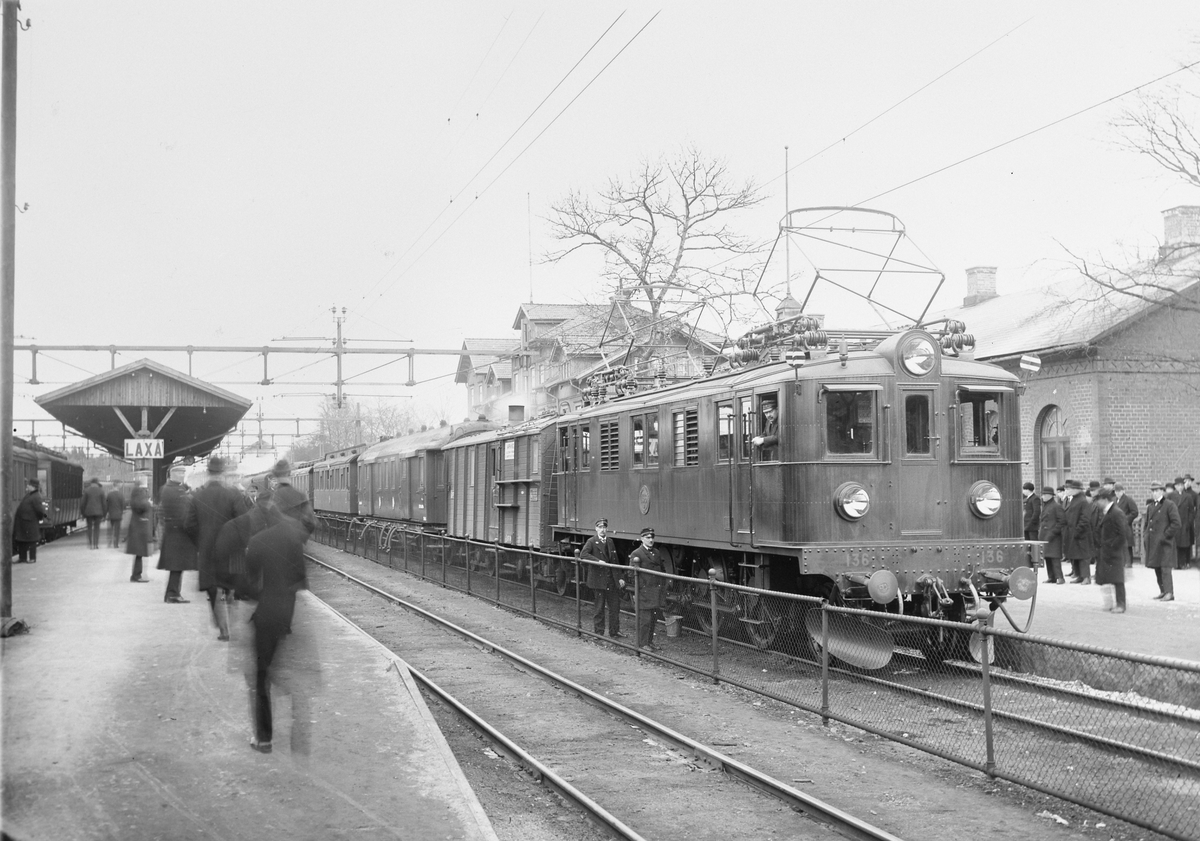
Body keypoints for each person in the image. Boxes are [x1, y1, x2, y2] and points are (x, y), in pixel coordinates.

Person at [243, 488, 312, 754]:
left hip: (266, 616)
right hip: (289, 614)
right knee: (289, 675)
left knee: (262, 676)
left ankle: (264, 739)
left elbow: (248, 587)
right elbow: (299, 579)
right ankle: (299, 740)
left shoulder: (258, 541)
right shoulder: (295, 538)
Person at [193, 456, 252, 640]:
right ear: (223, 473)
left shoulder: (198, 496)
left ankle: (224, 629)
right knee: (230, 586)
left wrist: (200, 541)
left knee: (214, 589)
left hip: (208, 551)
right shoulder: (233, 494)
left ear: (208, 473)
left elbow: (189, 524)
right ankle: (230, 617)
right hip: (231, 551)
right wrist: (241, 543)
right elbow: (244, 521)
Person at [157, 465, 198, 603]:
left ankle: (173, 593)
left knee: (177, 566)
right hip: (179, 533)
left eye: (183, 473)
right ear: (172, 474)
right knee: (177, 565)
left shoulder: (168, 488)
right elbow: (183, 513)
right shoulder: (175, 490)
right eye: (180, 473)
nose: (182, 475)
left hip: (173, 531)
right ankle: (172, 594)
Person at [580, 518, 625, 638]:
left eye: (604, 527)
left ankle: (614, 631)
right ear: (596, 529)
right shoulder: (591, 541)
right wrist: (598, 561)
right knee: (599, 608)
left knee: (614, 607)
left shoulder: (610, 541)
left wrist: (619, 577)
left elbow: (615, 560)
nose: (602, 530)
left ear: (607, 529)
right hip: (598, 581)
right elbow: (583, 554)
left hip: (611, 580)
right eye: (600, 527)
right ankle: (599, 633)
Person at [627, 526, 667, 651]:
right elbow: (631, 574)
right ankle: (642, 644)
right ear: (642, 538)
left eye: (652, 537)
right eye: (648, 537)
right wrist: (642, 587)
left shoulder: (656, 552)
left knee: (653, 619)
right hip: (644, 592)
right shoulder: (636, 553)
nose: (650, 540)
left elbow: (662, 569)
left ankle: (649, 642)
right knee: (645, 620)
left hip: (655, 591)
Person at [1143, 481, 1180, 602]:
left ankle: (1169, 592)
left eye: (1157, 491)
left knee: (1165, 568)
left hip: (1165, 543)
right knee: (1157, 567)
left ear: (1162, 491)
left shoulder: (1169, 505)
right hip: (1154, 542)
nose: (1154, 493)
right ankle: (1163, 591)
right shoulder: (1151, 506)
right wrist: (1145, 535)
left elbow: (1176, 523)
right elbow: (1147, 524)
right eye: (1153, 491)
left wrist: (1165, 536)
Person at [1094, 489, 1128, 614]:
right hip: (1107, 551)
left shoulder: (1116, 512)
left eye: (1098, 500)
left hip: (1114, 552)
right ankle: (1111, 603)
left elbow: (1122, 533)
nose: (1097, 503)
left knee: (1118, 579)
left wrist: (1112, 546)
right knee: (1109, 577)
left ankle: (1121, 604)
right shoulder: (1107, 512)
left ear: (1104, 499)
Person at [269, 459, 315, 536]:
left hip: (276, 538)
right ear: (289, 473)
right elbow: (310, 523)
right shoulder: (301, 495)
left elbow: (268, 521)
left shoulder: (272, 497)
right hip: (296, 538)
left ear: (275, 475)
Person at [1062, 479, 1092, 584]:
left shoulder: (1082, 501)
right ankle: (1079, 575)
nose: (1068, 490)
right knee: (1076, 555)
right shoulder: (1074, 499)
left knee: (1083, 556)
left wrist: (1078, 530)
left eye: (1070, 488)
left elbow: (1085, 518)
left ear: (1077, 489)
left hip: (1081, 534)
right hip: (1073, 532)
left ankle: (1086, 577)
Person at [125, 478, 153, 583]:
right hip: (139, 526)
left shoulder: (137, 492)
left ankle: (137, 574)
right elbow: (140, 506)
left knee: (139, 552)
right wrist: (149, 503)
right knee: (139, 551)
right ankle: (136, 575)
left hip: (139, 525)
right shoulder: (139, 492)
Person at [13, 479, 47, 563]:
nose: (27, 486)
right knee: (22, 541)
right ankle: (22, 558)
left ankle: (32, 558)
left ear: (33, 486)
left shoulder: (36, 496)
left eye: (29, 485)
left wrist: (39, 518)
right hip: (24, 522)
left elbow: (39, 510)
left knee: (31, 542)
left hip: (30, 522)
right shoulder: (30, 495)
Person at [1038, 486, 1065, 584]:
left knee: (1054, 558)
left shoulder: (1056, 506)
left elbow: (1062, 521)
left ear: (1050, 495)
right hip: (1045, 536)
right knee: (1047, 557)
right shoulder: (1046, 505)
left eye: (1044, 495)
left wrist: (1053, 532)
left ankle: (1059, 577)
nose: (1042, 497)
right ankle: (1051, 577)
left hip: (1053, 536)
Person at [1113, 483, 1138, 569]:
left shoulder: (1128, 500)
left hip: (1125, 526)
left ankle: (1128, 562)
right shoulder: (1114, 500)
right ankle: (1121, 562)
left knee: (1127, 545)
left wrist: (1126, 519)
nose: (1117, 493)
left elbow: (1134, 512)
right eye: (1116, 491)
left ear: (1123, 491)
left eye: (1119, 491)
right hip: (1116, 526)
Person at [1173, 476, 1196, 571]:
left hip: (1184, 524)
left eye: (1182, 485)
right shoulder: (1171, 496)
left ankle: (1182, 564)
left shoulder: (1188, 497)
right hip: (1174, 523)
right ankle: (1175, 564)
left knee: (1183, 545)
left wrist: (1189, 522)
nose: (1180, 487)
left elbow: (1191, 511)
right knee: (1175, 544)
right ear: (1175, 486)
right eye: (1178, 485)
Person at [81, 477, 107, 550]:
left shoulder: (86, 491)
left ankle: (90, 545)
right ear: (97, 483)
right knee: (97, 528)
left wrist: (83, 514)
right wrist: (104, 515)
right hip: (98, 513)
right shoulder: (101, 491)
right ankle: (96, 544)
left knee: (89, 528)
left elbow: (83, 504)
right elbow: (104, 504)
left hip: (88, 512)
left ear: (91, 483)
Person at [1021, 482, 1039, 566]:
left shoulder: (1035, 499)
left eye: (1024, 489)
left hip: (1032, 526)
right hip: (1026, 525)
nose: (1023, 491)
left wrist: (1031, 523)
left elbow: (1036, 512)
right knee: (1027, 543)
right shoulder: (1027, 499)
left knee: (1033, 543)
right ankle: (1028, 559)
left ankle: (1035, 559)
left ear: (1028, 490)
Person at [106, 482, 126, 548]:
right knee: (117, 530)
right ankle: (116, 544)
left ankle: (109, 543)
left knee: (110, 529)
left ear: (113, 486)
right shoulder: (121, 495)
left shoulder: (109, 494)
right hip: (118, 515)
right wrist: (122, 511)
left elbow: (106, 504)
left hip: (111, 514)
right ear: (118, 487)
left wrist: (107, 512)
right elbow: (123, 505)